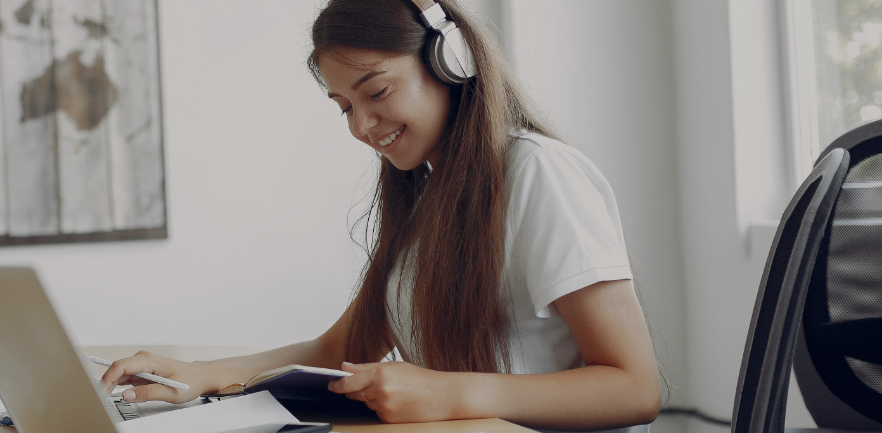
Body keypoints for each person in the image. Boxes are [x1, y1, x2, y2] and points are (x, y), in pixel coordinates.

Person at [97, 0, 662, 431]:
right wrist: (197, 377)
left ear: (449, 61)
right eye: (345, 107)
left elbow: (635, 388)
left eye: (377, 91)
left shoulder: (539, 174)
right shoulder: (427, 197)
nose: (362, 126)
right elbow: (338, 350)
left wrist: (450, 393)